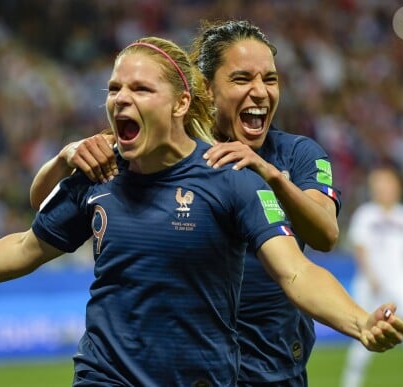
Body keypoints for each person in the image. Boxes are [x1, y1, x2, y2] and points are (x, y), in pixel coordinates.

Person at [0, 37, 403, 386]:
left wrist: (359, 323)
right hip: (105, 376)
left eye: (139, 88)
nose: (120, 99)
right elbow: (26, 246)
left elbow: (296, 270)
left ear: (179, 103)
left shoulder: (231, 177)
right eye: (114, 89)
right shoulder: (99, 173)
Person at [29, 19, 342, 386]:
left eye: (270, 80)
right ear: (205, 90)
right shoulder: (151, 150)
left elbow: (325, 234)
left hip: (271, 367)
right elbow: (45, 209)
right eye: (242, 79)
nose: (259, 91)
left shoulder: (296, 154)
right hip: (189, 367)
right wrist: (65, 158)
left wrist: (270, 175)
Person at [341, 166, 403, 387]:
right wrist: (372, 278)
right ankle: (350, 382)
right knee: (364, 335)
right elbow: (360, 250)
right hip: (372, 286)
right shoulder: (365, 215)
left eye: (388, 184)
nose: (384, 189)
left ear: (397, 187)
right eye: (380, 184)